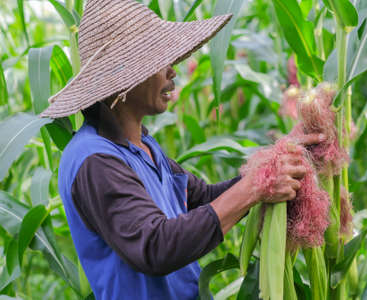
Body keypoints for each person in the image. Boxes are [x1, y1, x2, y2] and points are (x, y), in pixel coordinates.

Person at [40, 0, 323, 299]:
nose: (172, 71)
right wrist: (255, 188)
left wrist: (276, 162)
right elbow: (155, 246)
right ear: (122, 76)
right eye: (158, 62)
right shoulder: (94, 161)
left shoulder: (143, 147)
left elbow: (203, 200)